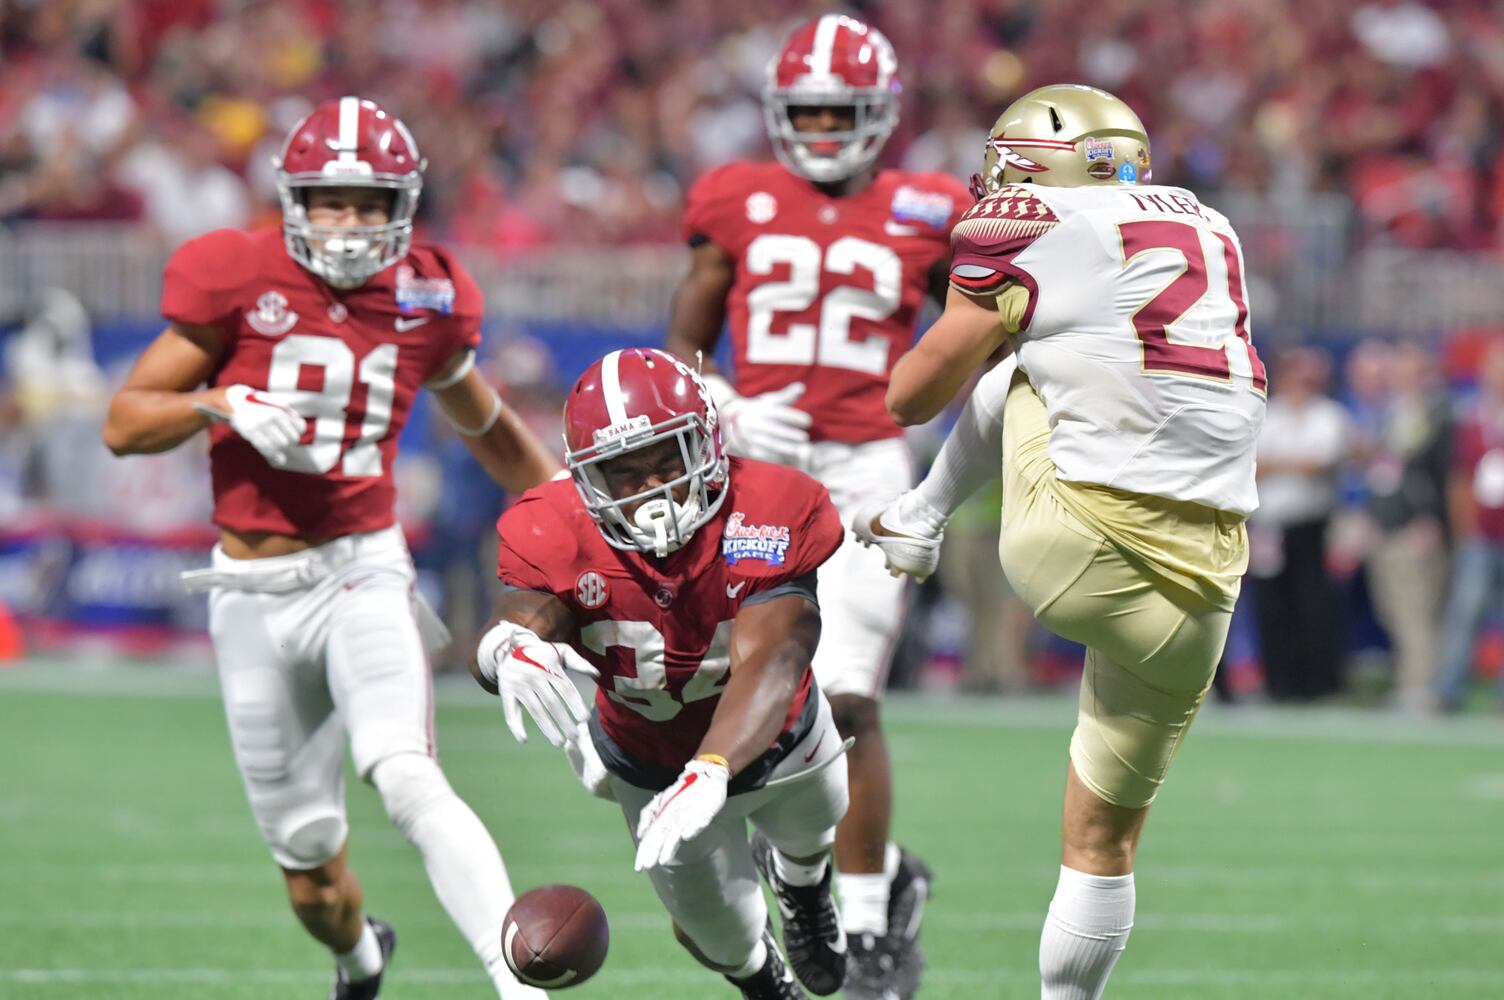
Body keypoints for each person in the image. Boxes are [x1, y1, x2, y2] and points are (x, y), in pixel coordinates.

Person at [102, 97, 557, 1000]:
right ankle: (360, 957)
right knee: (310, 866)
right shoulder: (236, 274)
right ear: (294, 201)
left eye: (368, 203)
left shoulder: (427, 295)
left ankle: (519, 985)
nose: (348, 223)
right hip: (251, 589)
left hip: (362, 569)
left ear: (402, 206)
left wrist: (569, 520)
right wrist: (219, 403)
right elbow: (124, 422)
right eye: (330, 201)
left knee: (405, 771)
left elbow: (488, 426)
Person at [853, 85, 1266, 998]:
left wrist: (984, 320)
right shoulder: (1211, 223)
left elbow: (910, 397)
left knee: (1023, 367)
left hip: (1075, 547)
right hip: (1207, 586)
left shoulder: (1033, 220)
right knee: (1103, 843)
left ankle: (919, 517)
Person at [662, 16, 970, 994]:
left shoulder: (929, 207)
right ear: (778, 113)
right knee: (739, 689)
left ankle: (870, 919)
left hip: (868, 465)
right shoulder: (735, 196)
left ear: (880, 114)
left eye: (844, 112)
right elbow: (685, 342)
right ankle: (853, 871)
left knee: (846, 694)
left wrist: (933, 439)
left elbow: (973, 333)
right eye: (811, 111)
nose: (827, 128)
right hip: (755, 464)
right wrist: (721, 399)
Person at [473, 348, 849, 1000]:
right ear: (586, 478)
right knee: (723, 936)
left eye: (668, 460)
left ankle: (804, 883)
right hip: (652, 763)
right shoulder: (554, 526)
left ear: (707, 442)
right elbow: (525, 610)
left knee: (815, 828)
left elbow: (776, 656)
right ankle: (763, 980)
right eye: (623, 472)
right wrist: (506, 648)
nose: (652, 488)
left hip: (779, 736)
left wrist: (713, 766)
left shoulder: (770, 505)